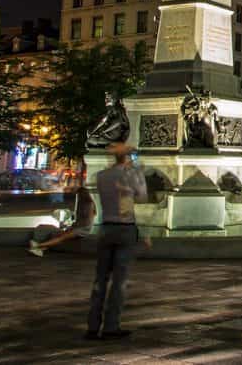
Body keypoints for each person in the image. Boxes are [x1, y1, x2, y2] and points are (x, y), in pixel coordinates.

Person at [86, 141, 146, 341]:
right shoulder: (130, 175)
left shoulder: (101, 176)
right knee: (119, 280)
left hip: (106, 227)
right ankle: (111, 326)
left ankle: (93, 326)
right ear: (127, 158)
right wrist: (136, 171)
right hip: (125, 228)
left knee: (100, 279)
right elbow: (143, 197)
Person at [29, 187, 97, 257]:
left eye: (78, 194)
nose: (77, 196)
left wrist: (74, 227)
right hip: (79, 227)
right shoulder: (83, 204)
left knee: (61, 238)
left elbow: (86, 222)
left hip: (83, 229)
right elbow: (81, 220)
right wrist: (72, 226)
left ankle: (38, 245)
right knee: (60, 236)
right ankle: (41, 248)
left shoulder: (89, 204)